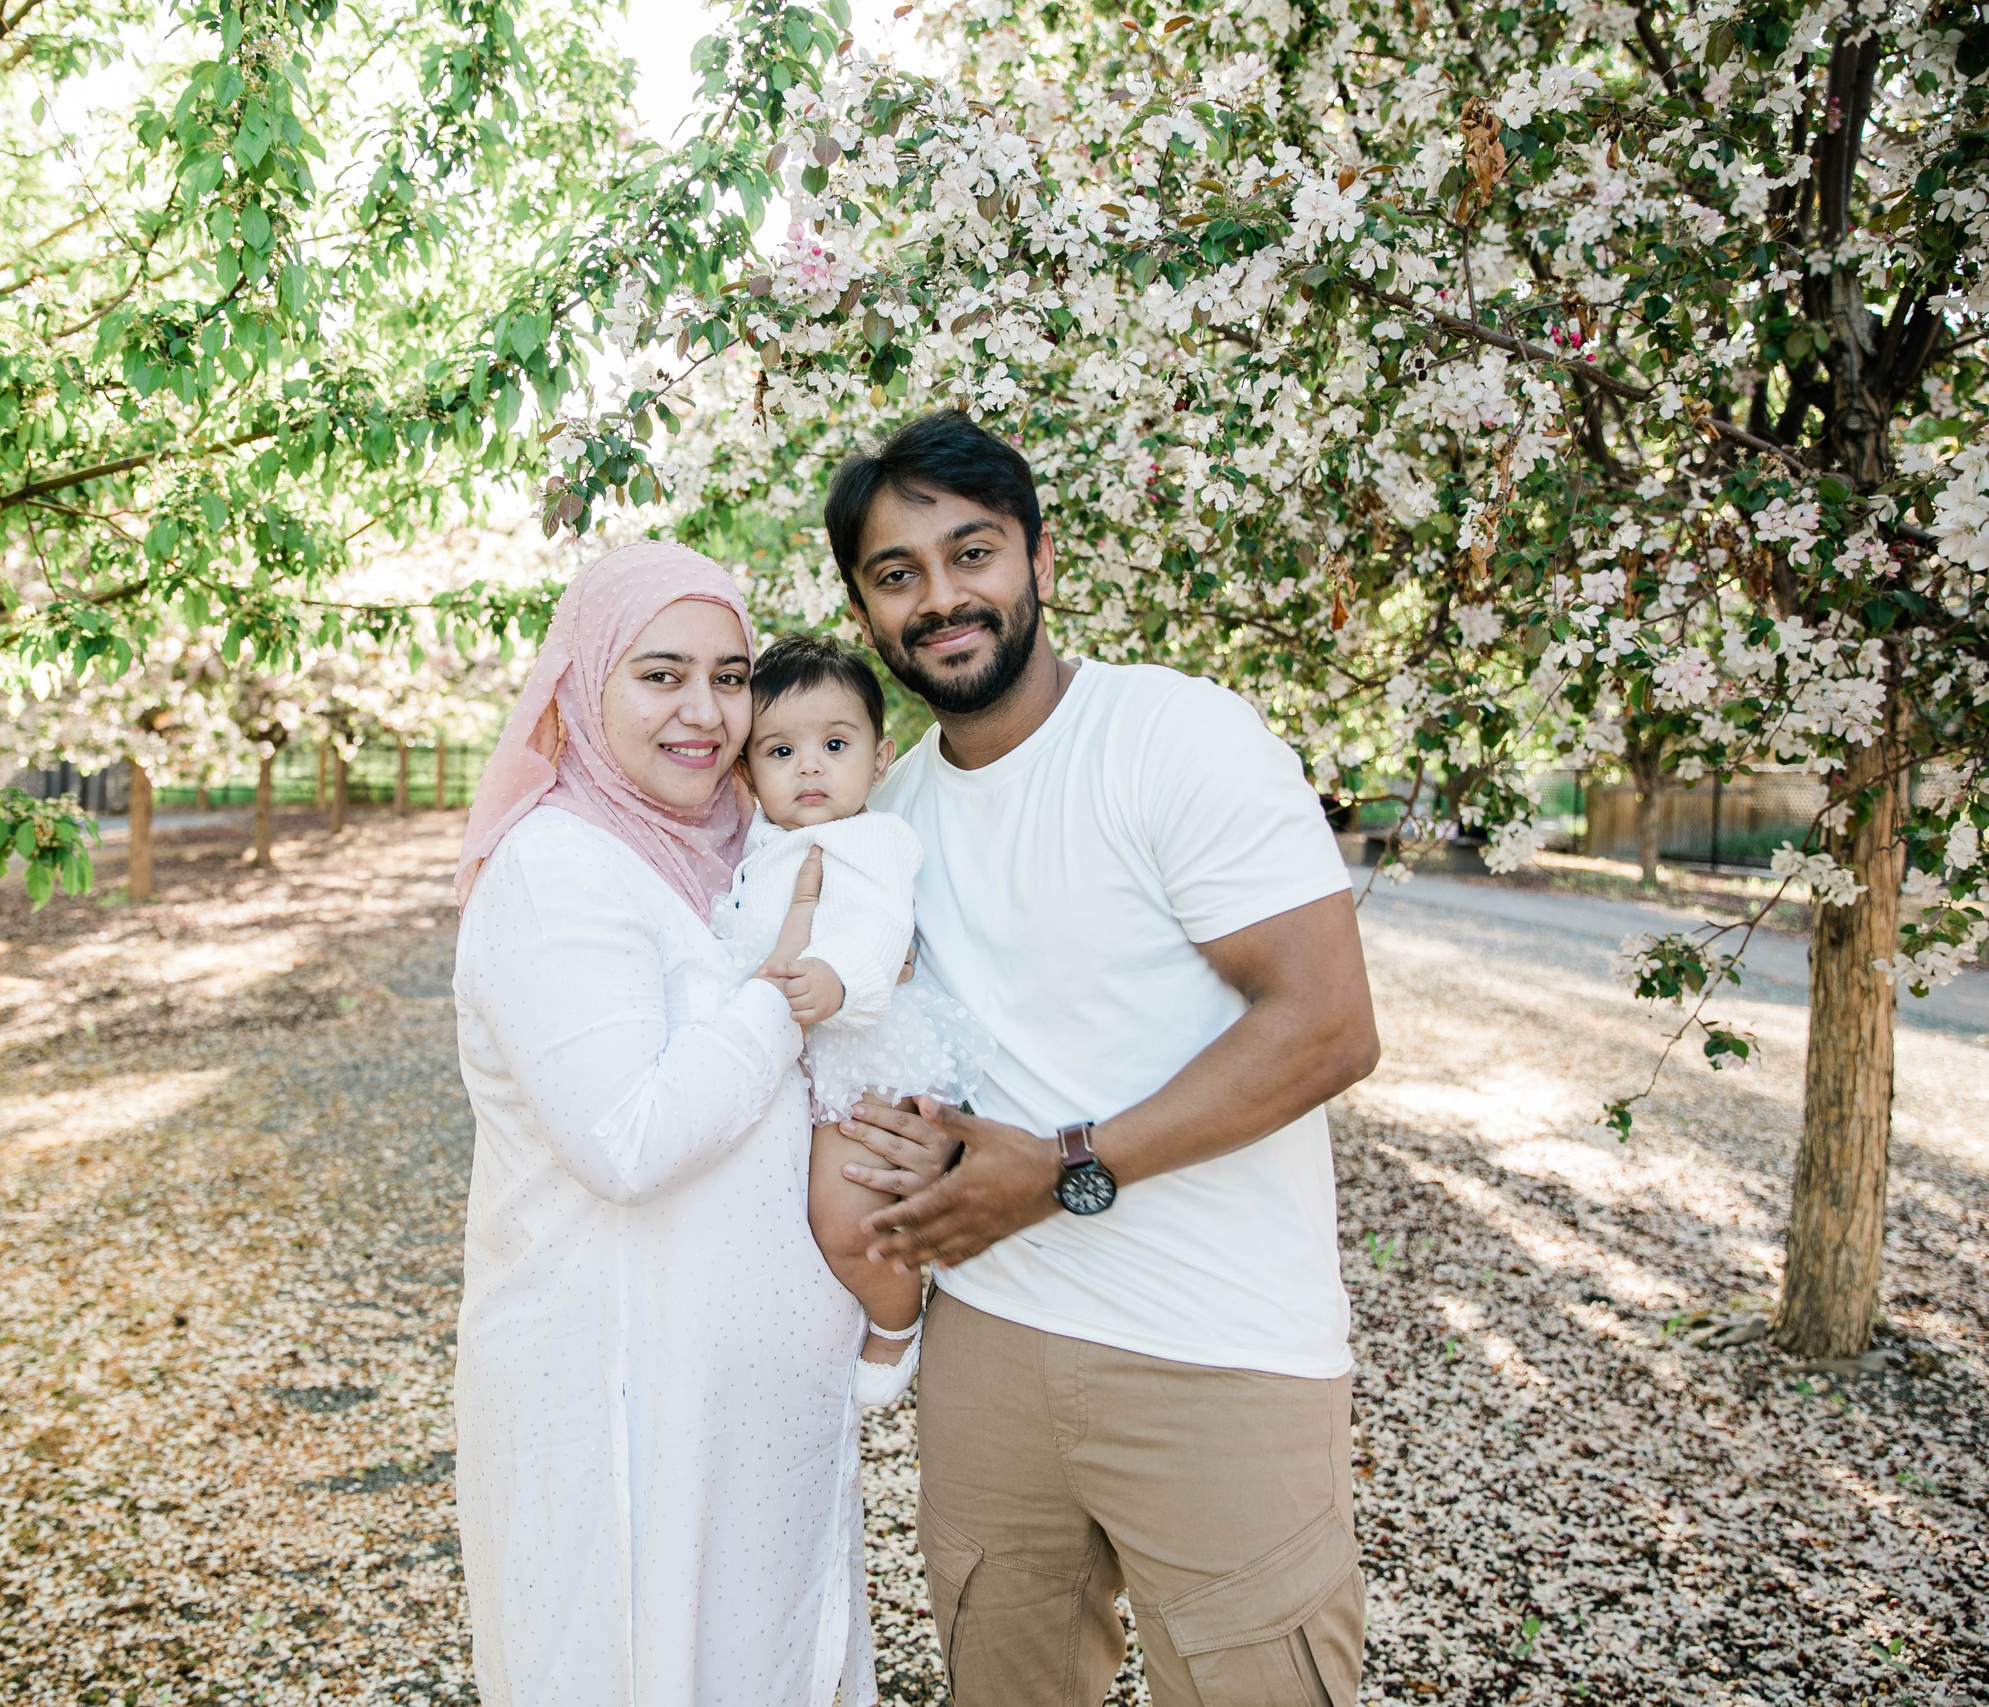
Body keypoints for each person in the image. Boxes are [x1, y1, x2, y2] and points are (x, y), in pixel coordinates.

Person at [824, 412, 1384, 1706]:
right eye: (897, 572)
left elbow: (1327, 1022)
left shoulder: (1176, 735)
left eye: (972, 552)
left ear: (1040, 558)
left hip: (1218, 1347)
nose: (941, 596)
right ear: (864, 606)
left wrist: (1066, 1165)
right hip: (990, 1344)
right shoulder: (889, 816)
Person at [449, 543, 902, 1707]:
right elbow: (628, 1142)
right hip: (624, 1403)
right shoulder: (559, 872)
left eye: (731, 675)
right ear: (583, 685)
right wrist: (777, 999)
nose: (705, 713)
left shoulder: (736, 852)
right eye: (660, 675)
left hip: (759, 1412)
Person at [711, 632, 993, 1409]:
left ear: (878, 758)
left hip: (854, 1046)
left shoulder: (872, 838)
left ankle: (898, 1321)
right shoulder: (763, 843)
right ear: (745, 772)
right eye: (780, 750)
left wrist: (838, 978)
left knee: (840, 1216)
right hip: (785, 1047)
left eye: (834, 744)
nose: (809, 766)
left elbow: (879, 926)